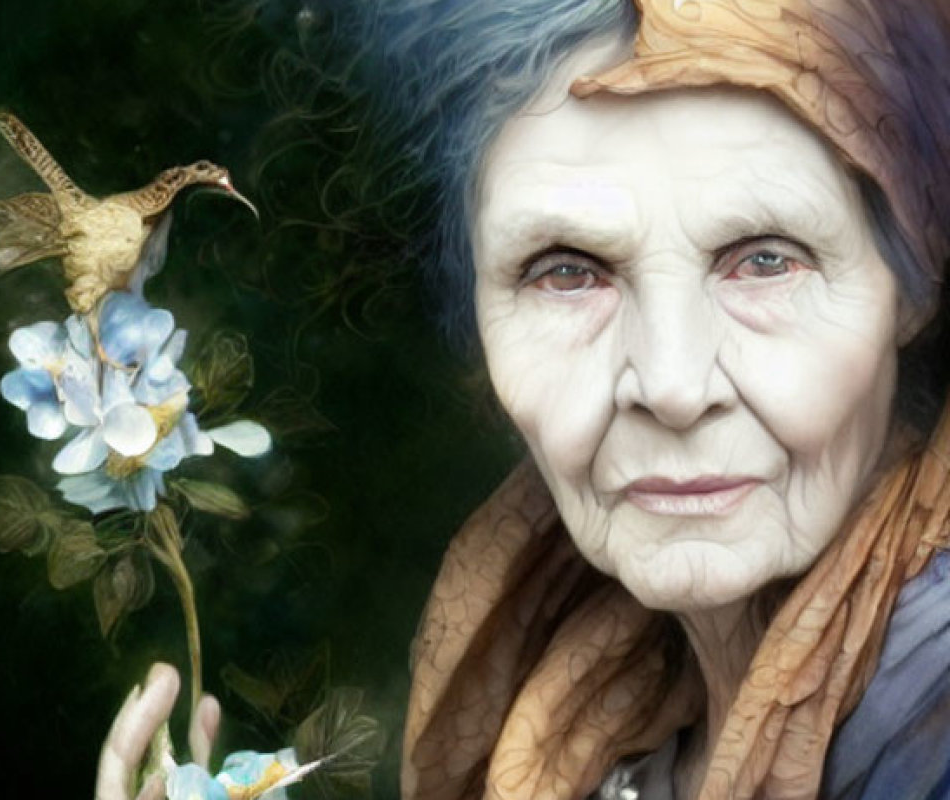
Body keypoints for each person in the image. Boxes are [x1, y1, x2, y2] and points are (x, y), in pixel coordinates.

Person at [98, 1, 950, 798]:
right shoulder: (596, 728)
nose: (673, 386)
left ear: (910, 286)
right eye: (567, 273)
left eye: (766, 259)